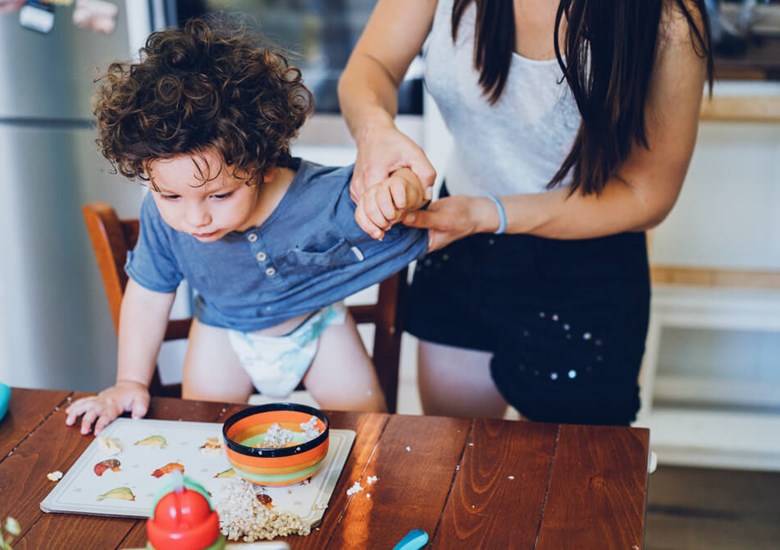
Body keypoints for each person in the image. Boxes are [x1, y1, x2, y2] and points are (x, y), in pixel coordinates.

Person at [338, 0, 713, 424]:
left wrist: (489, 213)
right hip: (462, 243)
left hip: (587, 262)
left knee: (576, 480)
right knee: (457, 462)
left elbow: (647, 193)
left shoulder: (668, 19)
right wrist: (375, 130)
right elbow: (372, 64)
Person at [65, 16, 429, 435]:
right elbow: (148, 296)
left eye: (219, 196)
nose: (195, 218)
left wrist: (401, 188)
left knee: (369, 433)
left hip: (316, 327)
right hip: (222, 332)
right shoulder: (162, 217)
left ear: (265, 164)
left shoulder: (321, 196)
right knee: (201, 434)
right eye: (171, 197)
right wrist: (129, 382)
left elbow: (399, 188)